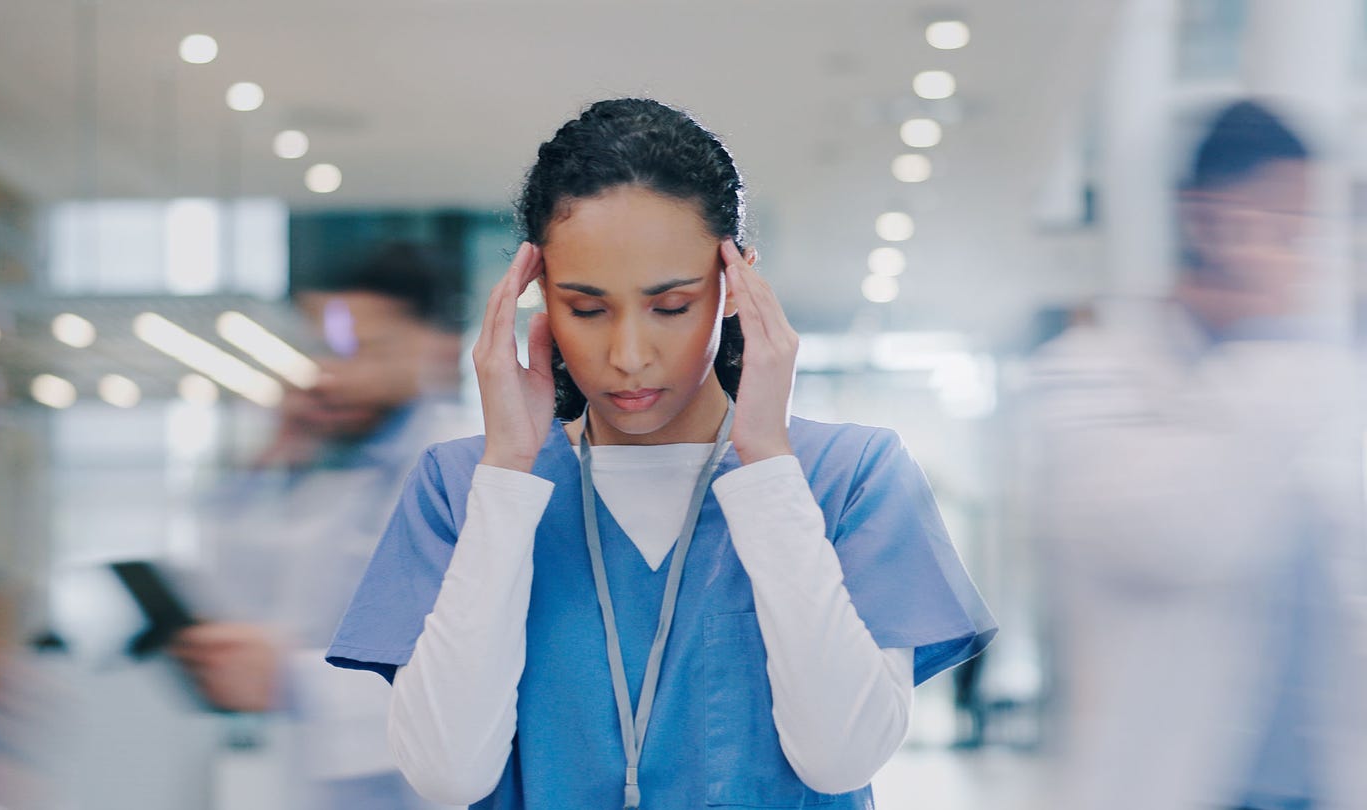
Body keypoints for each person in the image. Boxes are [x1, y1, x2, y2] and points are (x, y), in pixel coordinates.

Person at [326, 98, 995, 809]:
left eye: (671, 306)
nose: (629, 356)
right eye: (586, 309)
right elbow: (448, 775)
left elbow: (840, 759)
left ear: (735, 287)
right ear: (537, 295)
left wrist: (768, 463)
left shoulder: (850, 479)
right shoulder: (464, 487)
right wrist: (509, 476)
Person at [1029, 100, 1367, 810]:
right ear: (1204, 217)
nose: (1300, 253)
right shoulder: (1093, 376)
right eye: (1277, 221)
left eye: (1308, 227)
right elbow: (1182, 540)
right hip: (1174, 785)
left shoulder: (1324, 380)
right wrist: (1279, 341)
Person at [171, 242, 474, 810]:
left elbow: (463, 675)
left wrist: (290, 679)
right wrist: (273, 456)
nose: (335, 373)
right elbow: (242, 589)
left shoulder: (463, 473)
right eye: (327, 349)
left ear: (435, 347)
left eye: (366, 350)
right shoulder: (333, 465)